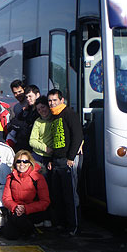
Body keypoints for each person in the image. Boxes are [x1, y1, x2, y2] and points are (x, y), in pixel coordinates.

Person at [47, 89, 83, 236]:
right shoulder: (54, 117)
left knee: (70, 195)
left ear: (62, 100)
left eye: (55, 100)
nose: (52, 103)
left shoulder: (69, 114)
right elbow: (54, 140)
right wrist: (51, 160)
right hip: (56, 160)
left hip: (68, 161)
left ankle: (73, 226)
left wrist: (71, 157)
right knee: (58, 194)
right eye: (50, 101)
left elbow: (78, 136)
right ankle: (61, 224)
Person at [2, 150, 50, 240]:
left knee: (19, 221)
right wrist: (15, 207)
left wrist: (26, 209)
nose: (21, 164)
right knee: (9, 235)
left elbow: (45, 202)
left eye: (25, 161)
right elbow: (6, 198)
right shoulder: (11, 177)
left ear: (30, 163)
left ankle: (32, 231)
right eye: (19, 161)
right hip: (17, 210)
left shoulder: (38, 178)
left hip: (33, 211)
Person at [6, 85, 40, 152]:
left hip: (34, 146)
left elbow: (27, 125)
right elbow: (15, 122)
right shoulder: (27, 109)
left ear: (37, 95)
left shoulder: (40, 110)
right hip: (23, 143)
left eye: (30, 96)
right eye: (27, 97)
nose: (28, 99)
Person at [29, 96, 53, 176]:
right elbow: (32, 141)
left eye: (43, 107)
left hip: (51, 156)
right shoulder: (38, 122)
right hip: (38, 154)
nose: (42, 110)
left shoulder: (55, 119)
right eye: (39, 109)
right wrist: (45, 148)